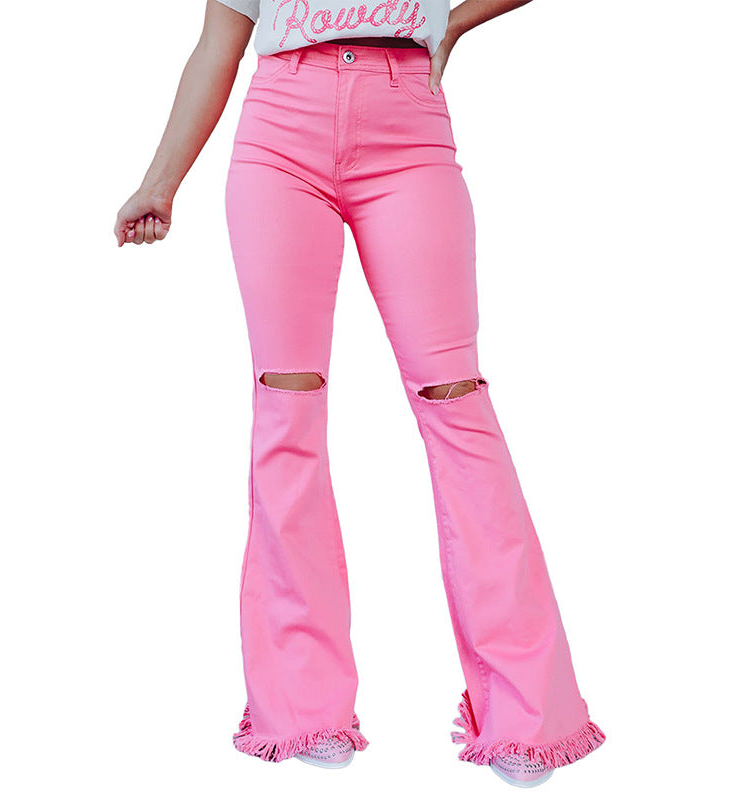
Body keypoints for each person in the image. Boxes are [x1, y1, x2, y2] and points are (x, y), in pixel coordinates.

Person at [113, 0, 606, 788]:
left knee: (455, 400)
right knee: (288, 405)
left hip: (407, 125)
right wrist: (159, 182)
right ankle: (301, 706)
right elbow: (216, 46)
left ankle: (527, 715)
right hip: (280, 129)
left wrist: (453, 20)